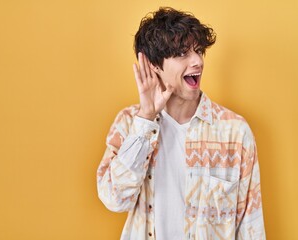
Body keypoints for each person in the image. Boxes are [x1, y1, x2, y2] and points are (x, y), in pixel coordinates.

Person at [96, 7, 266, 240]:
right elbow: (114, 199)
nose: (197, 61)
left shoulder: (234, 132)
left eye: (198, 51)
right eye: (182, 54)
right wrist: (145, 121)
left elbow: (251, 227)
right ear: (154, 65)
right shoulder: (129, 124)